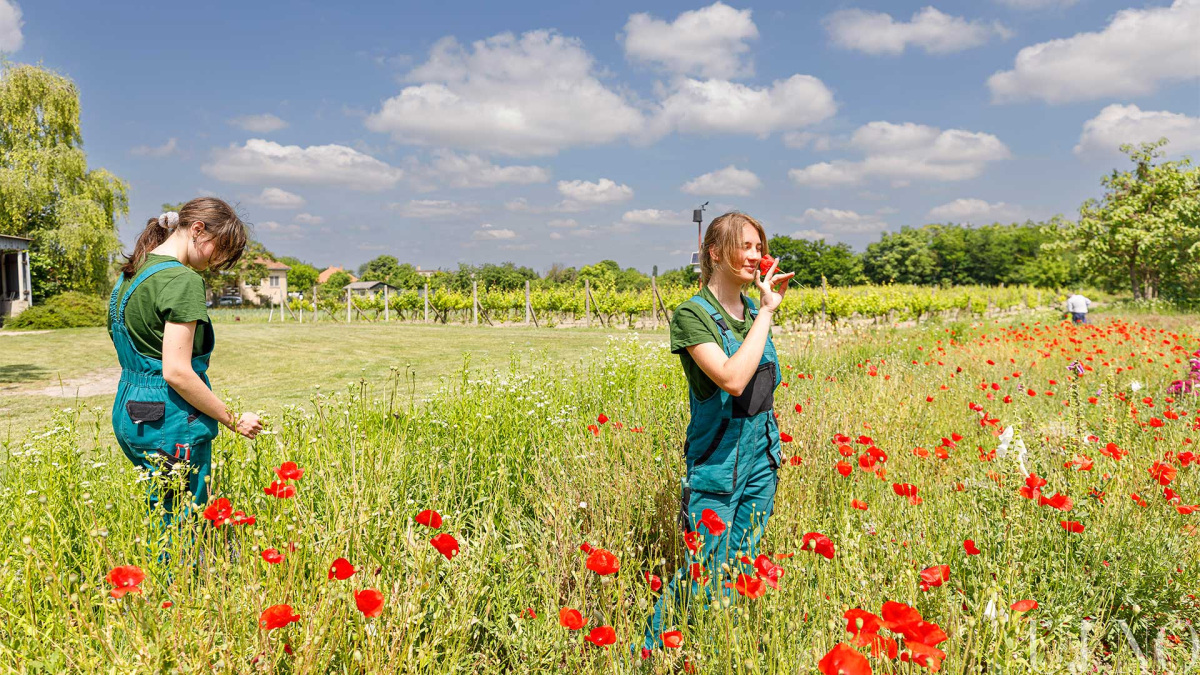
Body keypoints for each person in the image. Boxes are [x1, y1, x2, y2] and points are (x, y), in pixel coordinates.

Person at [637, 212, 795, 657]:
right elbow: (732, 378)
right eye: (744, 246)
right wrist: (767, 313)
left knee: (741, 564)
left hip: (761, 462)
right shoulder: (692, 315)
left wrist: (759, 311)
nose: (755, 255)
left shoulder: (749, 310)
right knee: (700, 570)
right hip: (717, 466)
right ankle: (647, 658)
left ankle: (712, 650)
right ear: (714, 252)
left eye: (758, 247)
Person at [108, 197, 263, 537]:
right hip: (170, 417)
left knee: (164, 514)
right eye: (219, 249)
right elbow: (176, 371)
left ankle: (166, 582)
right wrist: (234, 419)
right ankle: (182, 587)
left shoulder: (132, 274)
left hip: (131, 412)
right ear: (197, 230)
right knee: (185, 526)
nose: (216, 263)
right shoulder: (182, 281)